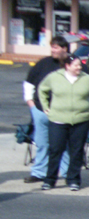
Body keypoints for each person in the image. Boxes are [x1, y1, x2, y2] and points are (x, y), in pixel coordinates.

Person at [38, 54, 89, 192]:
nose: (79, 67)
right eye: (76, 65)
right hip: (58, 119)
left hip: (81, 120)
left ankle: (73, 180)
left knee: (77, 151)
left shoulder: (87, 79)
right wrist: (45, 106)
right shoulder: (54, 77)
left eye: (80, 65)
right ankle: (50, 180)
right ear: (67, 66)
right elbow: (42, 89)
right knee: (56, 150)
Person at [23, 35, 70, 183]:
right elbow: (28, 84)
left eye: (56, 47)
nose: (52, 50)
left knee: (65, 144)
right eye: (52, 47)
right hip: (41, 111)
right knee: (42, 143)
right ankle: (39, 172)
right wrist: (31, 105)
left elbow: (88, 86)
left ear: (65, 49)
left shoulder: (74, 64)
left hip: (64, 113)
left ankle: (68, 173)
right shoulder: (42, 64)